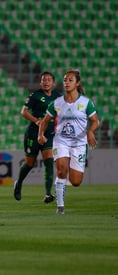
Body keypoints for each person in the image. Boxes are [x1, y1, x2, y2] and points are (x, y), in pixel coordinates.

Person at [38, 70, 98, 214]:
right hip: (61, 141)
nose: (66, 83)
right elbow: (45, 121)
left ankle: (64, 184)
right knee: (61, 170)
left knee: (76, 181)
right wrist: (40, 134)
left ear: (77, 83)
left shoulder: (85, 103)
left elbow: (95, 121)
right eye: (65, 80)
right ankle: (60, 207)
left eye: (70, 80)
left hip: (79, 143)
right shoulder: (57, 103)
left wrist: (90, 131)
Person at [13, 71, 62, 203]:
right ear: (40, 82)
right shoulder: (35, 95)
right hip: (34, 133)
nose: (46, 82)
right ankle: (18, 183)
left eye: (48, 80)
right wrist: (36, 120)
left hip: (49, 132)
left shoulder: (58, 96)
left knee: (49, 160)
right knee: (30, 163)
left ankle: (47, 193)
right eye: (43, 80)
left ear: (53, 83)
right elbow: (23, 111)